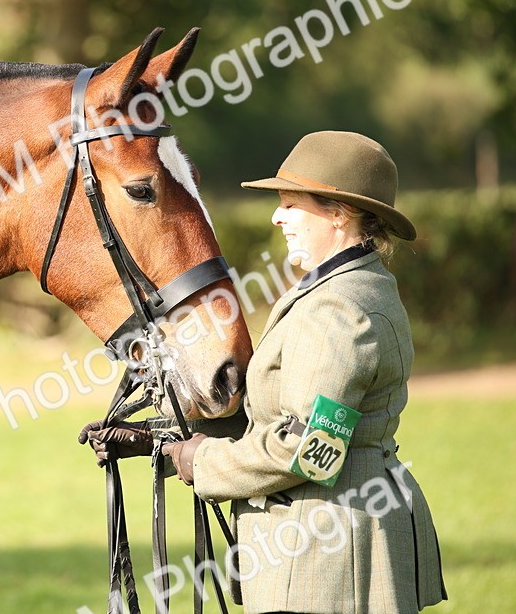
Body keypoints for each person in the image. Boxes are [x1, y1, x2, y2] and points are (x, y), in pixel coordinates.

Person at [80, 131, 446, 614]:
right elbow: (280, 420)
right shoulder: (352, 287)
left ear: (339, 214)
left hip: (328, 558)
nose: (277, 217)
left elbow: (310, 450)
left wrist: (199, 461)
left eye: (291, 205)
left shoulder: (338, 309)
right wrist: (162, 443)